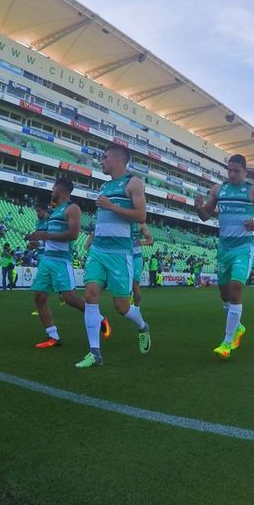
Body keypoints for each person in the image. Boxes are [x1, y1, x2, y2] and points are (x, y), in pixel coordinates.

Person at [76, 146, 151, 368]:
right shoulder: (105, 186)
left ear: (118, 159)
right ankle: (94, 352)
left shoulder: (133, 183)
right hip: (98, 250)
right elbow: (104, 219)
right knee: (90, 295)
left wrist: (112, 206)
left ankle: (143, 327)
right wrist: (92, 238)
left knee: (121, 306)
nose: (102, 161)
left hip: (120, 254)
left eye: (105, 157)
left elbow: (141, 215)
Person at [194, 154, 254, 359]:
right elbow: (205, 216)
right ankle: (238, 327)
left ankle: (227, 342)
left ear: (245, 172)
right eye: (229, 170)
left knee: (235, 293)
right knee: (224, 295)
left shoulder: (253, 191)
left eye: (237, 171)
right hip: (224, 249)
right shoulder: (218, 190)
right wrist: (198, 208)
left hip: (243, 248)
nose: (232, 174)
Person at [25, 178, 87, 348]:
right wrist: (39, 243)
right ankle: (53, 336)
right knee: (39, 296)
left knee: (70, 298)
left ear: (61, 188)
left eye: (53, 188)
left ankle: (98, 316)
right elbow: (51, 240)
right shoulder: (54, 212)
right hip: (47, 259)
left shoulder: (72, 208)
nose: (52, 191)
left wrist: (46, 236)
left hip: (61, 260)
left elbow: (73, 234)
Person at [130, 220, 154, 307]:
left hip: (136, 257)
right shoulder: (122, 221)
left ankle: (137, 308)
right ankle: (127, 307)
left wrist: (142, 242)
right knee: (125, 286)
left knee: (135, 287)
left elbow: (151, 240)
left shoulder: (141, 224)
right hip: (124, 256)